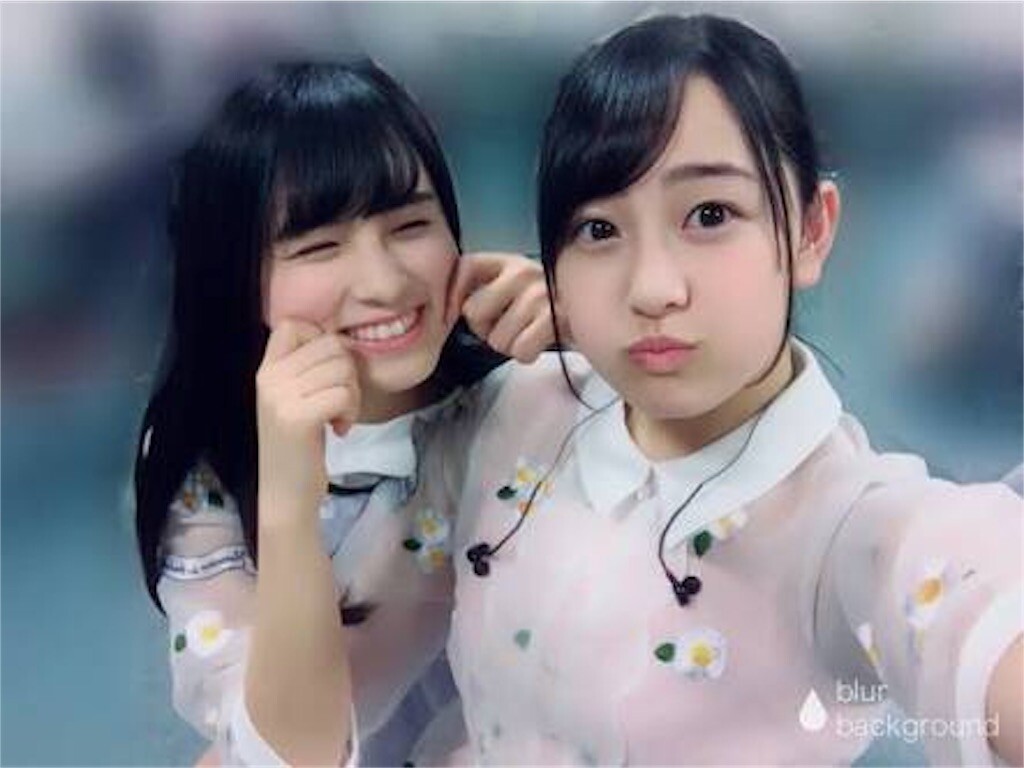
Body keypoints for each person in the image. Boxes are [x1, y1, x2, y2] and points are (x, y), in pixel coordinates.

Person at [363, 14, 1022, 765]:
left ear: (811, 230)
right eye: (598, 230)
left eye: (710, 215)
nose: (653, 288)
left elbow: (970, 598)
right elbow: (322, 705)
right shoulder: (514, 411)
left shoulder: (850, 528)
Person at [132, 60, 553, 766]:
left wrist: (601, 336)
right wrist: (288, 507)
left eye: (410, 225)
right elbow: (289, 755)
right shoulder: (210, 460)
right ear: (237, 278)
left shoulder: (532, 391)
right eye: (318, 247)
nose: (384, 283)